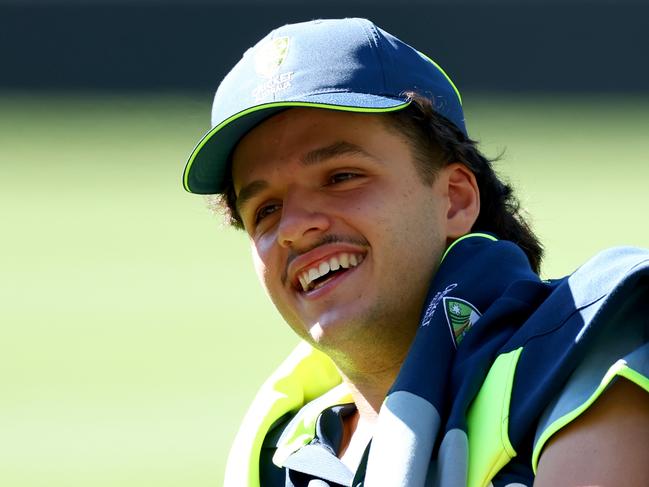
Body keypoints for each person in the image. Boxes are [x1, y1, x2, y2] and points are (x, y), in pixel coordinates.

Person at [182, 18, 649, 487]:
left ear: (456, 199)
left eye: (342, 177)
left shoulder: (589, 349)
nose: (294, 227)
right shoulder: (276, 449)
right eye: (266, 209)